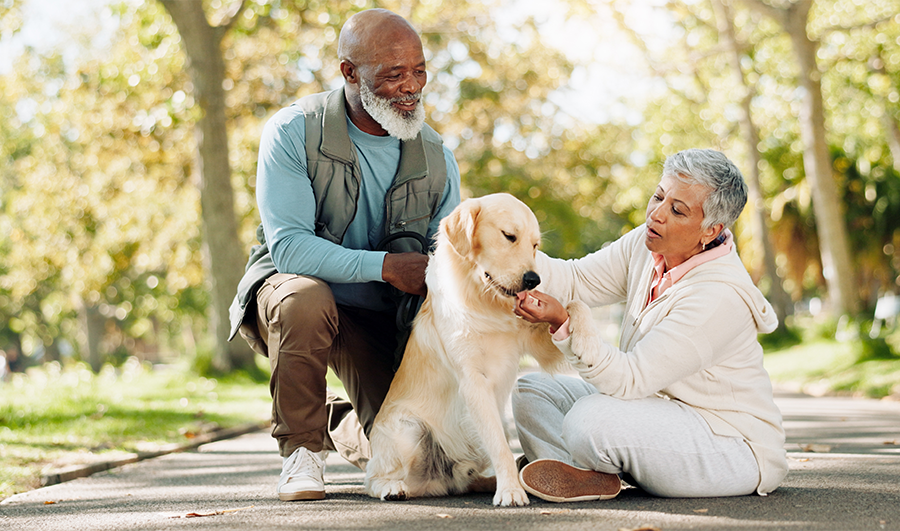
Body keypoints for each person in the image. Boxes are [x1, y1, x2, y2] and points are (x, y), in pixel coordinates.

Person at [227, 8, 461, 502]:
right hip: (295, 296)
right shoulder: (294, 131)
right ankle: (301, 453)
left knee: (417, 467)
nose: (411, 85)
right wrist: (387, 267)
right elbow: (288, 247)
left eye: (419, 70)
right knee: (306, 299)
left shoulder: (437, 157)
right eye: (393, 74)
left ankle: (334, 424)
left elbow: (452, 265)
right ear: (349, 72)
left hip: (379, 317)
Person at [511, 148, 787, 502]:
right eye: (658, 196)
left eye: (677, 210)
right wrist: (509, 253)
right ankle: (584, 473)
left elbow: (630, 379)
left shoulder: (718, 296)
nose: (656, 214)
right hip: (655, 411)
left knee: (589, 420)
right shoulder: (647, 245)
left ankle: (576, 460)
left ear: (711, 230)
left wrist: (565, 324)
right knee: (532, 392)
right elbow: (576, 279)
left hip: (729, 445)